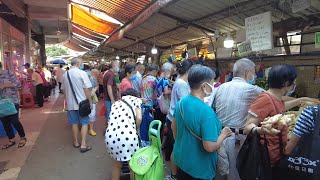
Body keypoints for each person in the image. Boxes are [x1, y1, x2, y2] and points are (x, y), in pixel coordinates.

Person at [244, 64, 320, 179]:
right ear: (286, 83)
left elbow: (281, 107)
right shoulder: (264, 99)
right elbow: (247, 128)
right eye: (293, 83)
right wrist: (261, 129)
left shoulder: (276, 99)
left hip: (276, 156)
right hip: (266, 158)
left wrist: (302, 100)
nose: (293, 86)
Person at [206, 58, 265, 180]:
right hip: (237, 139)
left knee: (220, 173)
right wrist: (301, 100)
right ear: (248, 73)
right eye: (253, 72)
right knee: (235, 173)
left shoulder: (220, 88)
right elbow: (272, 97)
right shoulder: (251, 89)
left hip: (219, 136)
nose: (254, 76)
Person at [172, 65, 232, 180]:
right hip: (200, 169)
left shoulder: (181, 102)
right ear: (204, 86)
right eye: (212, 83)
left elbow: (173, 127)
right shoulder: (206, 112)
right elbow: (209, 147)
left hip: (182, 160)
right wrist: (224, 134)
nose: (213, 86)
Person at [105, 88, 142, 180]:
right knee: (132, 166)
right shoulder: (136, 100)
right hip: (128, 136)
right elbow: (139, 118)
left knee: (116, 165)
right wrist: (135, 129)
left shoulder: (116, 103)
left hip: (110, 136)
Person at [165, 59, 194, 179]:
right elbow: (186, 104)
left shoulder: (180, 81)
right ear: (190, 71)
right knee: (177, 149)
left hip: (172, 117)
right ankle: (174, 175)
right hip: (175, 120)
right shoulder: (181, 84)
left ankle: (174, 174)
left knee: (175, 147)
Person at [62, 57, 93, 153]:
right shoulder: (82, 73)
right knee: (84, 123)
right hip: (82, 103)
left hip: (71, 104)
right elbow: (87, 89)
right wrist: (90, 102)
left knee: (74, 123)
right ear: (79, 63)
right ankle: (83, 144)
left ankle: (75, 142)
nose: (82, 64)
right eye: (81, 63)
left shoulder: (65, 74)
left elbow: (63, 90)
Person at [0, 62, 27, 149]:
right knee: (5, 122)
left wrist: (5, 85)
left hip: (12, 101)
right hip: (1, 104)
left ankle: (23, 137)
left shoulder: (8, 73)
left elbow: (18, 85)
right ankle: (11, 139)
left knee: (14, 121)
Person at [155, 62, 174, 129]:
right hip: (163, 104)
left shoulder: (160, 78)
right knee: (162, 124)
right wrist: (172, 91)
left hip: (157, 103)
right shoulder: (165, 80)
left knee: (158, 123)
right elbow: (166, 92)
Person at [88, 69, 100, 136]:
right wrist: (95, 88)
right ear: (95, 73)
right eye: (98, 73)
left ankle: (88, 128)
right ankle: (90, 129)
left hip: (88, 99)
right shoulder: (93, 79)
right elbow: (91, 93)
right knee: (92, 114)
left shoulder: (90, 78)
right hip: (91, 100)